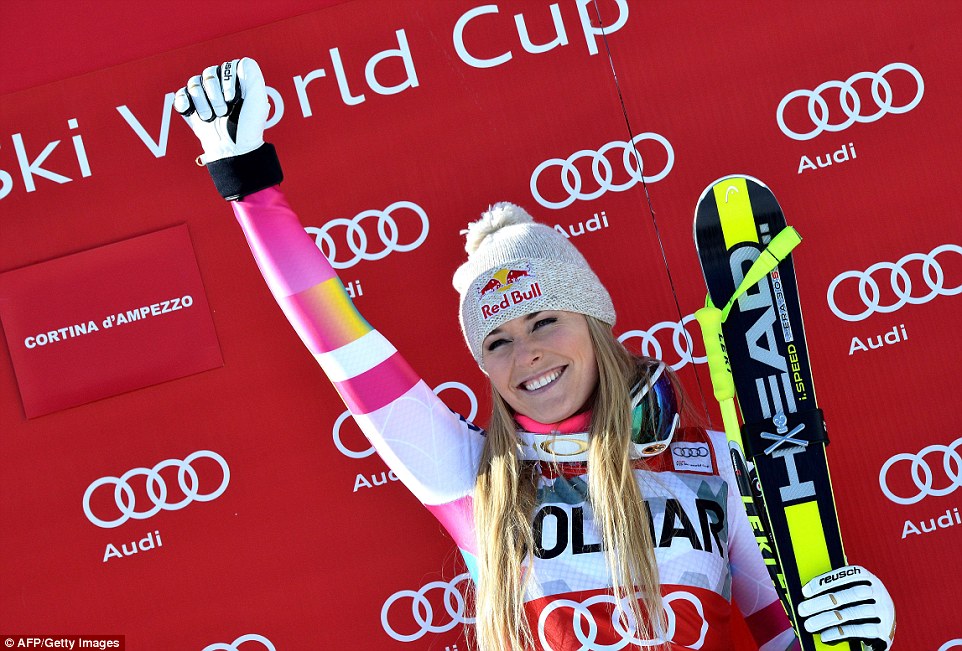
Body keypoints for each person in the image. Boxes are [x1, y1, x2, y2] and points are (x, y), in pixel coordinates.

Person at [173, 57, 896, 651]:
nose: (527, 352)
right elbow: (342, 342)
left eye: (544, 319)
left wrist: (852, 634)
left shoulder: (708, 464)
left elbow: (778, 636)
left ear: (594, 320)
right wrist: (249, 185)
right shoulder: (472, 474)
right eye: (497, 340)